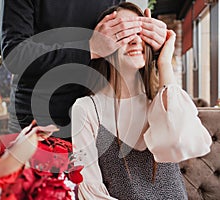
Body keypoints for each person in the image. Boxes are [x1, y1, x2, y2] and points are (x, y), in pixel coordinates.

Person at [71, 2, 212, 199]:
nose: (135, 40)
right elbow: (91, 191)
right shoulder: (87, 109)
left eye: (141, 32)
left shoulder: (161, 100)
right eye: (124, 32)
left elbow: (183, 144)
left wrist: (164, 63)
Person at [0, 0, 167, 140]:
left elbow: (116, 49)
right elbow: (15, 55)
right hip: (36, 117)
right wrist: (89, 48)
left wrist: (150, 45)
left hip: (95, 114)